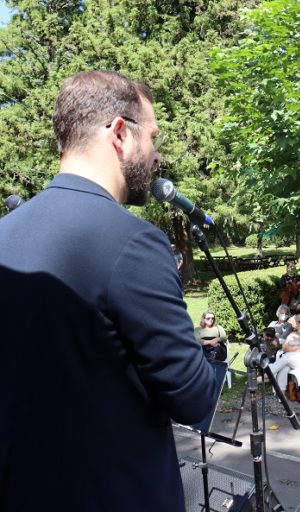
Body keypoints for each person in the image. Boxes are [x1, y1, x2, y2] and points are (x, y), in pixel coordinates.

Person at [0, 71, 217, 511]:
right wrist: (215, 358)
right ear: (120, 133)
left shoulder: (5, 234)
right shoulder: (134, 243)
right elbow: (192, 398)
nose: (157, 156)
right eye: (153, 137)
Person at [269, 313, 300, 394]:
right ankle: (282, 394)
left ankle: (267, 375)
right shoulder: (292, 334)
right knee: (284, 367)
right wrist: (298, 348)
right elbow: (285, 347)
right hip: (290, 361)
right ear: (296, 323)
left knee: (288, 356)